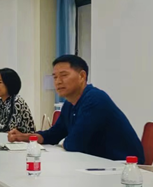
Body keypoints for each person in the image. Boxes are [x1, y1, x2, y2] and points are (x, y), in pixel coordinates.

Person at [8, 54, 145, 164]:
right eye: (55, 77)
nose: (58, 81)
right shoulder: (69, 103)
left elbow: (75, 144)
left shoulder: (95, 99)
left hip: (122, 166)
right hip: (96, 163)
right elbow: (54, 134)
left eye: (64, 75)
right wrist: (26, 137)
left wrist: (64, 142)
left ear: (82, 76)